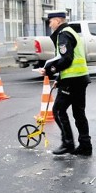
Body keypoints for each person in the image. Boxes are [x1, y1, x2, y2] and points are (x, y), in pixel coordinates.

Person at [38, 10, 92, 156]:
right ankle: (85, 146)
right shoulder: (71, 32)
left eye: (50, 21)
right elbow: (72, 59)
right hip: (80, 78)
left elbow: (66, 59)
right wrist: (59, 79)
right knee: (79, 113)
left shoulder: (63, 34)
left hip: (72, 80)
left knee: (58, 110)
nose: (49, 24)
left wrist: (49, 71)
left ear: (58, 21)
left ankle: (68, 143)